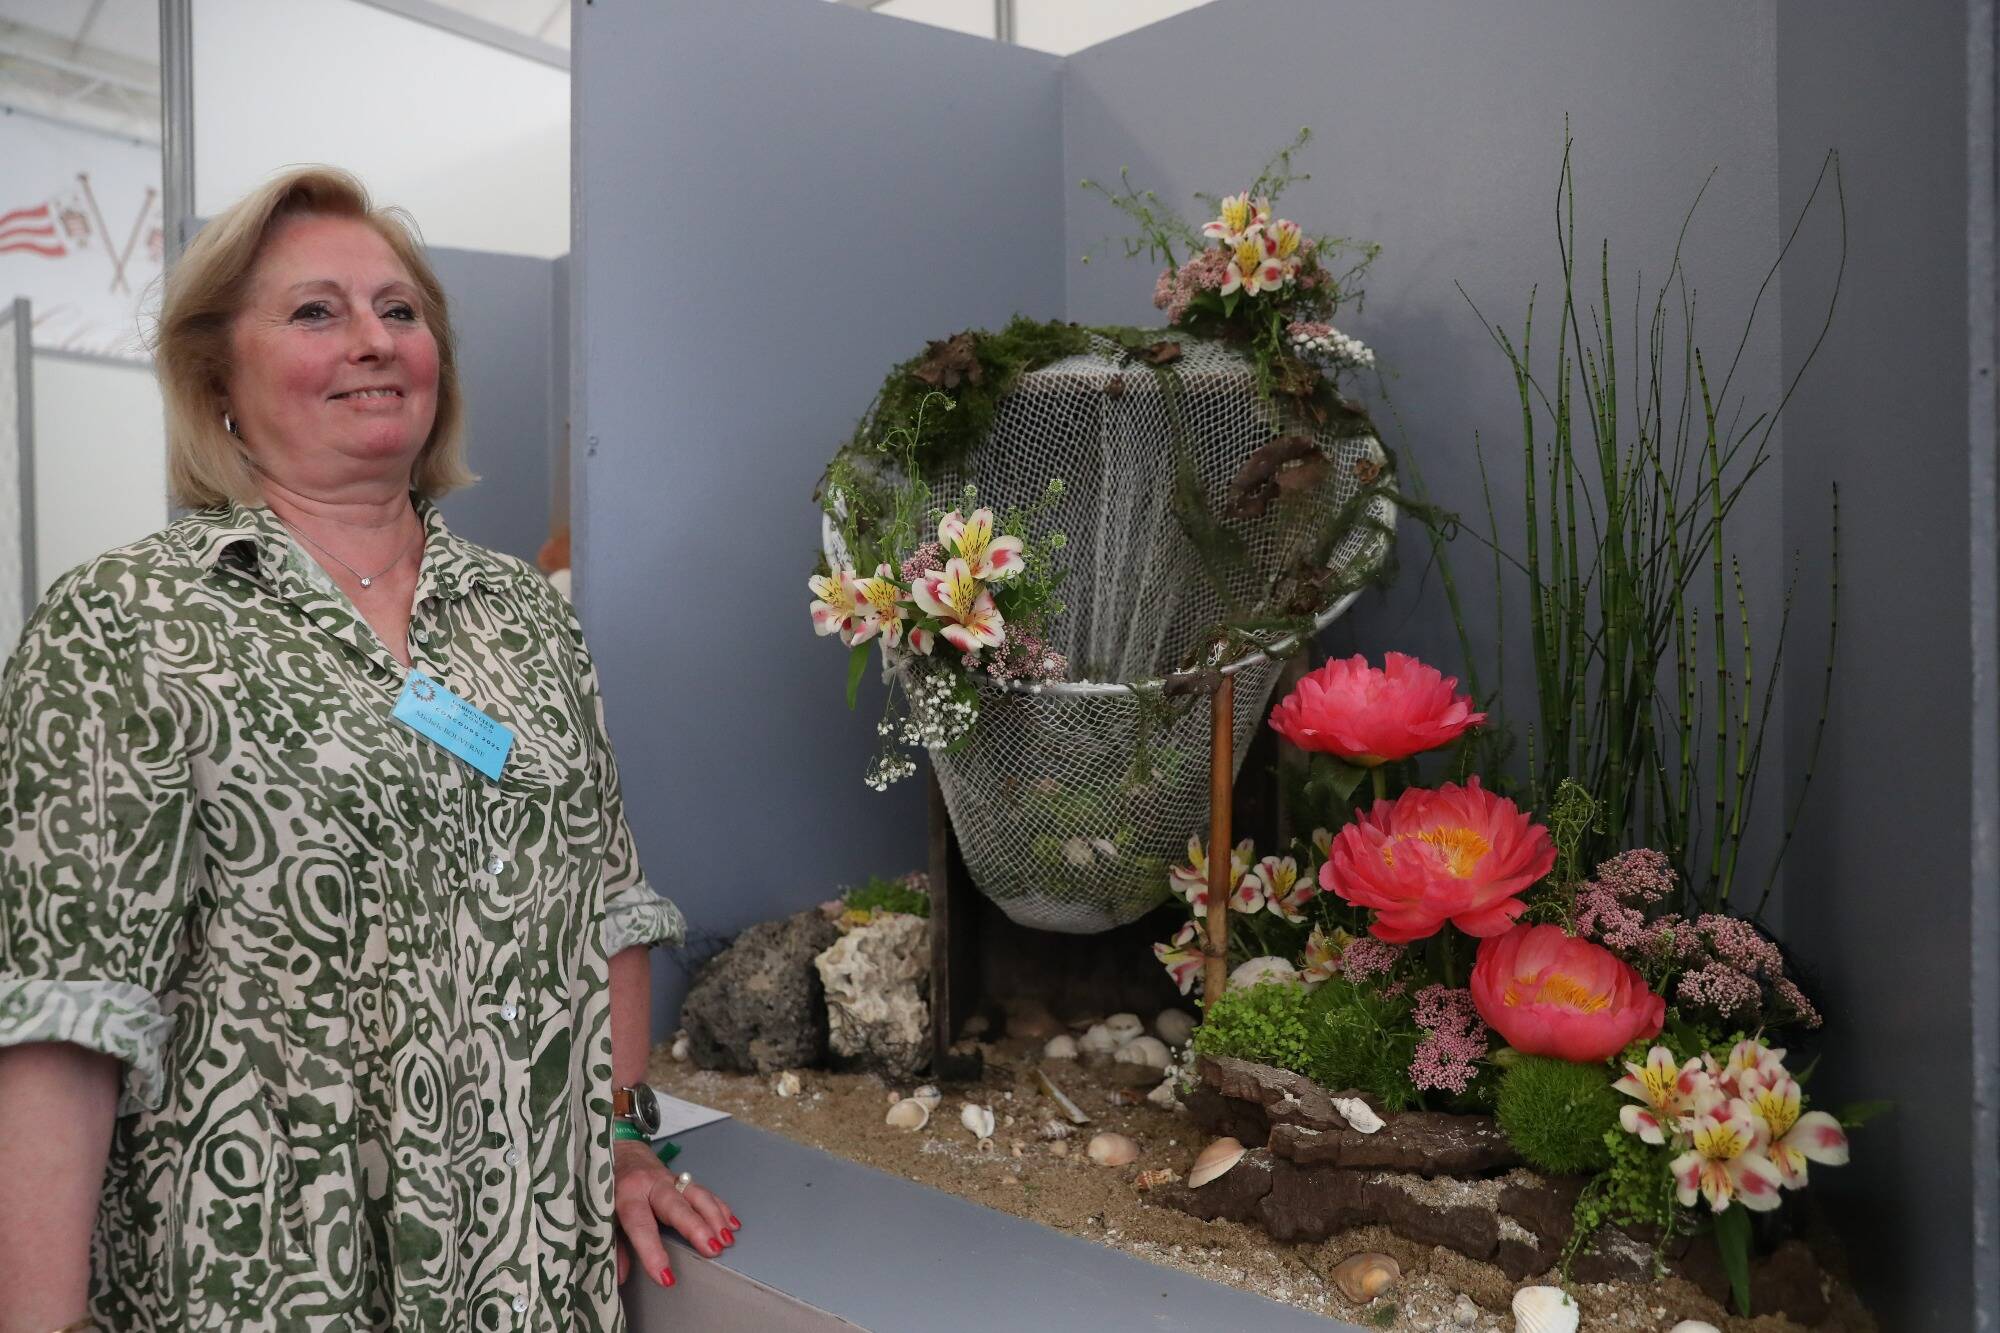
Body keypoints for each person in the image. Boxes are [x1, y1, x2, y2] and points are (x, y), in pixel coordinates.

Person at [0, 166, 735, 1331]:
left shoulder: (522, 614)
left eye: (400, 311)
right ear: (216, 378)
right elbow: (67, 1014)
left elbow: (606, 906)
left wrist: (622, 1135)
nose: (374, 342)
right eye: (314, 312)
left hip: (520, 1264)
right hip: (261, 1272)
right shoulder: (125, 622)